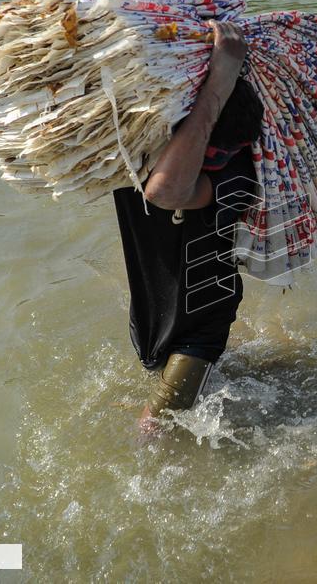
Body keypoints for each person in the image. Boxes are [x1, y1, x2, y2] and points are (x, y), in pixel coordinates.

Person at [112, 21, 261, 433]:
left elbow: (168, 192)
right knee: (173, 397)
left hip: (201, 324)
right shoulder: (136, 154)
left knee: (151, 430)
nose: (219, 156)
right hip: (152, 316)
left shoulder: (238, 175)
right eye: (212, 149)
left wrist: (221, 80)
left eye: (228, 150)